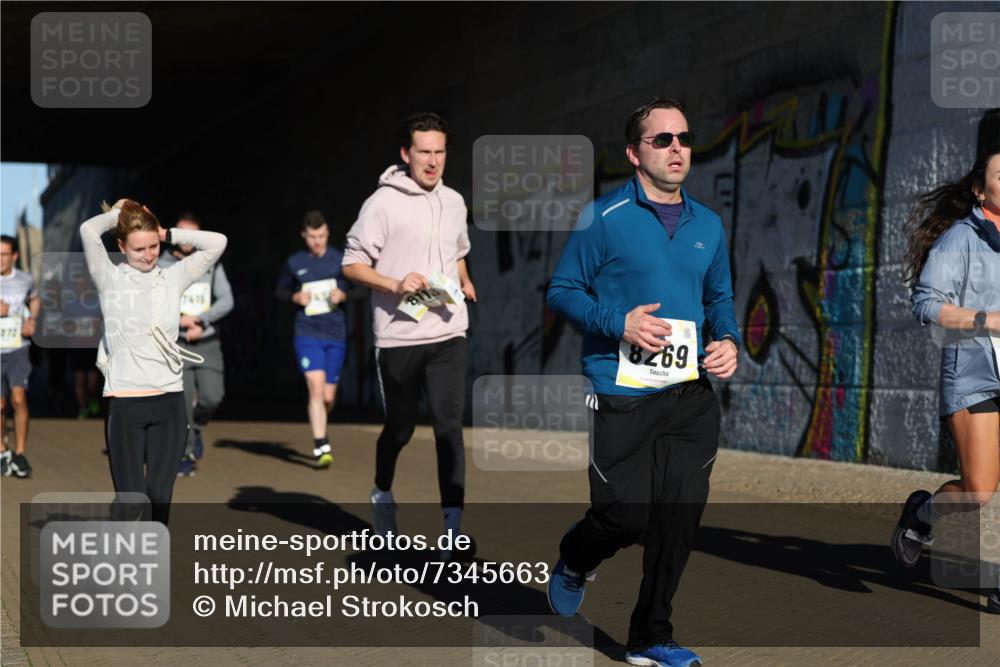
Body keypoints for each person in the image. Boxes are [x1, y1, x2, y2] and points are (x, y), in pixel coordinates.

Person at [545, 98, 740, 667]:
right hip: (622, 392)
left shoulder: (709, 224)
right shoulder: (602, 218)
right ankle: (577, 558)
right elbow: (562, 291)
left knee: (678, 518)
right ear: (635, 153)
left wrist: (727, 340)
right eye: (663, 140)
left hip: (690, 395)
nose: (677, 148)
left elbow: (719, 297)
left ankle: (651, 636)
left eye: (684, 138)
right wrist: (619, 322)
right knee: (626, 515)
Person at [342, 112, 476, 550]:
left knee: (448, 426)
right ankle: (382, 491)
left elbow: (456, 251)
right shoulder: (382, 203)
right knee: (399, 429)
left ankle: (452, 529)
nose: (433, 162)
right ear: (406, 154)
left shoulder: (455, 200)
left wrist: (465, 277)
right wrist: (395, 283)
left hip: (448, 328)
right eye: (424, 153)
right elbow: (352, 263)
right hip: (399, 335)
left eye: (440, 152)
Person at [892, 147, 1000, 615]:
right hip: (976, 374)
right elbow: (926, 303)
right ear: (981, 189)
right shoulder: (962, 237)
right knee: (979, 489)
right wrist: (987, 320)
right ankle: (921, 514)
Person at [81, 199, 227, 523]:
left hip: (169, 405)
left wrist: (166, 232)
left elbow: (218, 242)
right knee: (132, 502)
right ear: (121, 246)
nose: (148, 255)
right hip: (125, 404)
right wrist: (118, 215)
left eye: (153, 246)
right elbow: (88, 230)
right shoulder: (108, 278)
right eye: (138, 249)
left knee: (159, 501)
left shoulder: (173, 278)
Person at [158, 212, 233, 477]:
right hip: (176, 344)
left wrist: (200, 320)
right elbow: (155, 302)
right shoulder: (160, 264)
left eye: (194, 234)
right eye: (183, 233)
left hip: (207, 341)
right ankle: (185, 453)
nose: (188, 241)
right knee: (182, 400)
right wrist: (180, 321)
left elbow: (226, 300)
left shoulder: (211, 264)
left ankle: (197, 428)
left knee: (213, 397)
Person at [276, 210, 349, 468]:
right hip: (307, 333)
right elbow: (280, 290)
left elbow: (361, 288)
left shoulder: (341, 260)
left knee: (328, 397)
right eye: (312, 237)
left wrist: (344, 295)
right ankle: (321, 445)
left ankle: (322, 427)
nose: (317, 241)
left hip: (335, 334)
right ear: (303, 235)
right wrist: (295, 298)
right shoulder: (294, 262)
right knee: (315, 389)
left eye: (321, 236)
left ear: (328, 233)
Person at [0, 235, 40, 478]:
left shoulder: (25, 280)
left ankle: (21, 452)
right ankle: (3, 451)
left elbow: (35, 298)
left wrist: (32, 320)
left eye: (4, 254)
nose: (0, 259)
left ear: (14, 256)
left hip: (17, 348)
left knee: (18, 398)